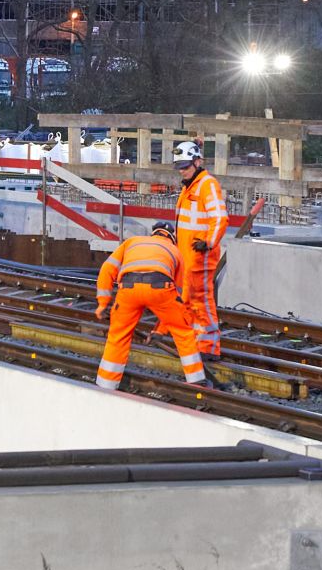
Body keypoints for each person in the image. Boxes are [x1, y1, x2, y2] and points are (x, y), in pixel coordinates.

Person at [93, 221, 206, 391]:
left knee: (118, 337)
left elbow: (107, 270)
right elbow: (178, 298)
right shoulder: (175, 251)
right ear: (172, 237)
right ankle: (197, 382)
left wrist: (103, 303)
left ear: (153, 233)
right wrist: (160, 331)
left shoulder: (132, 242)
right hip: (160, 288)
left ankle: (105, 386)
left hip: (128, 289)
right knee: (183, 333)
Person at [172, 140, 230, 371]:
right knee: (188, 300)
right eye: (179, 167)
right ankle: (195, 343)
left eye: (185, 166)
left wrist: (209, 242)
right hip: (188, 255)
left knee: (201, 300)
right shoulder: (190, 186)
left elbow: (220, 217)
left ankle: (208, 347)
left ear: (197, 162)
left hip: (200, 255)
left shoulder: (207, 185)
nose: (182, 171)